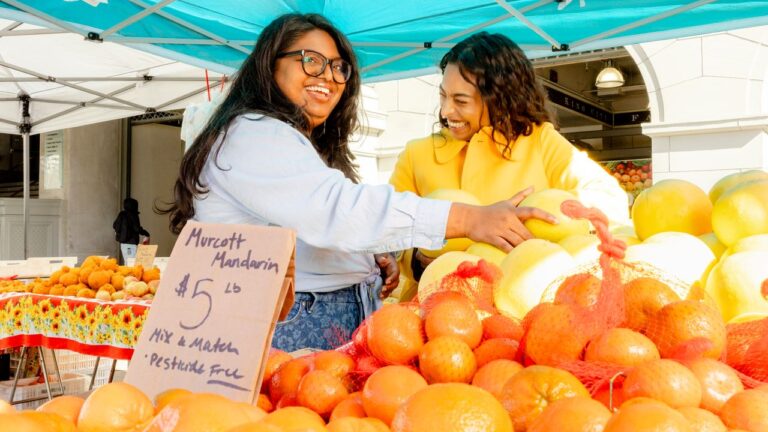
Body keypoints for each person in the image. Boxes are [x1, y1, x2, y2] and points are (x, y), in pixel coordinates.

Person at [162, 14, 553, 352]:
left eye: (338, 67)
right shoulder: (254, 132)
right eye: (310, 61)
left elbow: (310, 219)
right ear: (269, 65)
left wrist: (367, 258)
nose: (328, 77)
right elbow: (337, 210)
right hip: (295, 320)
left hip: (325, 313)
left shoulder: (288, 140)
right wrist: (470, 219)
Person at [390, 32, 629, 301]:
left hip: (521, 308)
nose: (445, 111)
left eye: (460, 101)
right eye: (443, 96)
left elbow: (609, 198)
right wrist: (416, 259)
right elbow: (388, 230)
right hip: (435, 309)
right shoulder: (416, 154)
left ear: (500, 99)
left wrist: (551, 228)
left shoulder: (541, 141)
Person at [113, 197, 150, 263]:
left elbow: (114, 225)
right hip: (131, 243)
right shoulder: (133, 215)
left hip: (123, 243)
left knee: (127, 262)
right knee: (131, 262)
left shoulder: (121, 214)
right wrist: (146, 233)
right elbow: (137, 228)